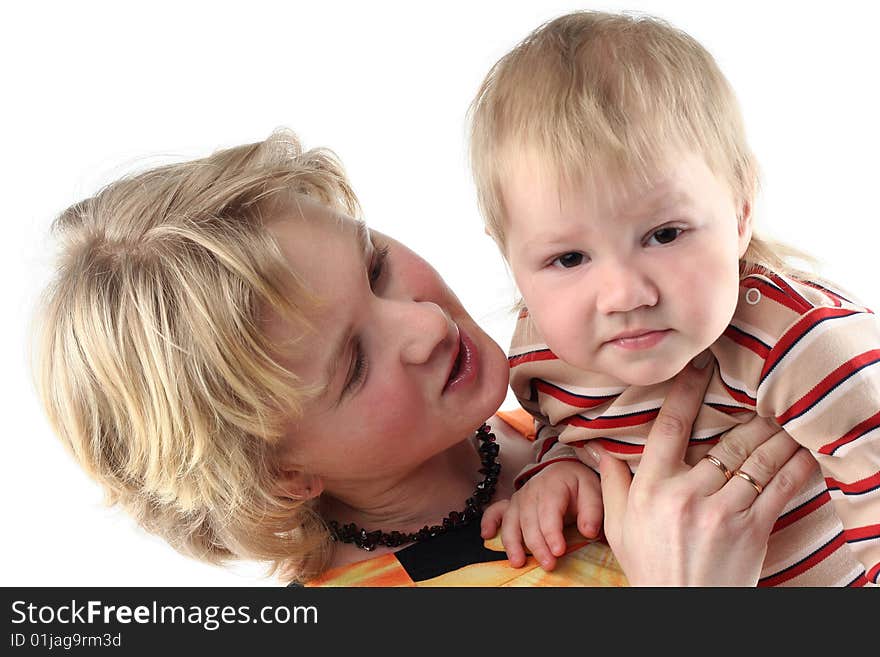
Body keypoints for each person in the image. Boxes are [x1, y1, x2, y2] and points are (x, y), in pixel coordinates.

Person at [33, 130, 815, 586]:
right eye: (354, 366)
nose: (421, 325)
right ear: (276, 473)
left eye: (375, 267)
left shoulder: (553, 400)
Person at [469, 11, 880, 585]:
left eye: (664, 235)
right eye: (568, 259)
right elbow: (569, 428)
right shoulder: (539, 348)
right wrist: (558, 470)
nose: (624, 294)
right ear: (510, 259)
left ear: (739, 210)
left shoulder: (802, 343)